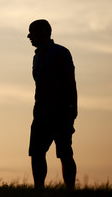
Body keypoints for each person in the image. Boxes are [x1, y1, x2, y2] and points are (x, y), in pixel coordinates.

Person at [27, 19, 77, 189]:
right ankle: (38, 189)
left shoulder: (61, 53)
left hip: (60, 112)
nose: (28, 36)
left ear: (43, 33)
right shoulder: (36, 56)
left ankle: (70, 190)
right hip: (40, 113)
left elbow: (70, 82)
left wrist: (72, 110)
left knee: (64, 153)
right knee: (36, 152)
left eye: (31, 32)